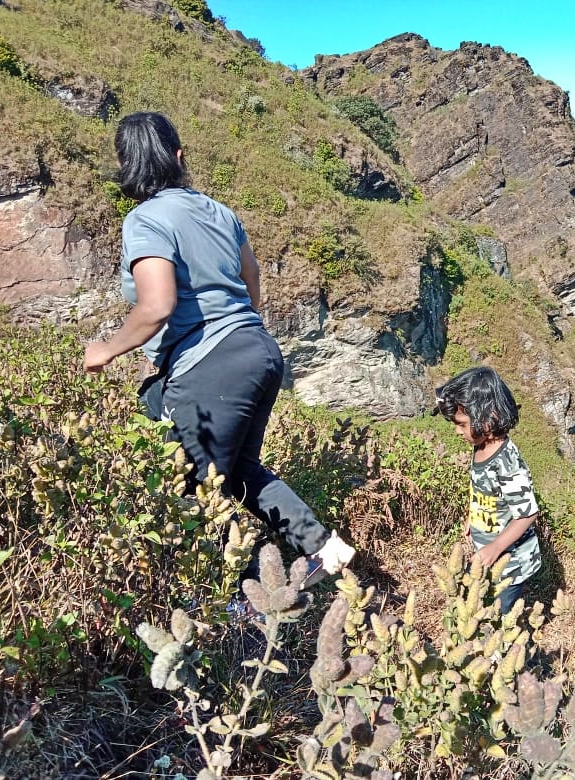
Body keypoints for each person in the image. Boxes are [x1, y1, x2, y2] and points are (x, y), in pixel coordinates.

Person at [83, 111, 352, 576]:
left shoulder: (144, 220)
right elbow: (252, 277)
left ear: (125, 165)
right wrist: (239, 331)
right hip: (259, 349)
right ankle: (324, 550)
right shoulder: (218, 211)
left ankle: (238, 601)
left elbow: (156, 305)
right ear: (179, 157)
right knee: (241, 471)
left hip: (211, 364)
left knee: (193, 491)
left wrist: (104, 349)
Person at [434, 366, 541, 614]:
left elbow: (527, 513)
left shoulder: (507, 464)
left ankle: (511, 651)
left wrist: (494, 548)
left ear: (489, 417)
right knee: (484, 603)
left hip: (510, 561)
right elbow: (483, 490)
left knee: (502, 616)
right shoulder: (482, 446)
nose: (457, 431)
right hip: (489, 552)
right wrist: (473, 516)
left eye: (461, 424)